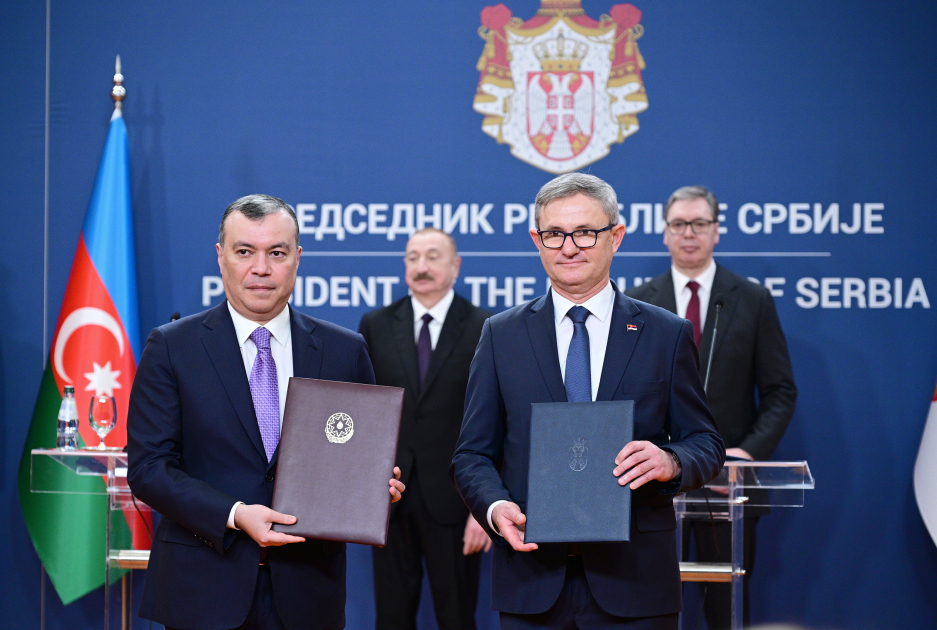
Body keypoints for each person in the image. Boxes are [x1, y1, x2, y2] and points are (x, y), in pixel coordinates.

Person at [450, 173, 725, 630]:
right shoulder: (501, 335)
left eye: (585, 232)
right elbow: (471, 455)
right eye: (554, 234)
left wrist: (670, 461)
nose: (569, 247)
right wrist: (495, 509)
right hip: (531, 579)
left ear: (615, 236)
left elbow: (706, 443)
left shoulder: (665, 333)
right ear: (537, 240)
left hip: (636, 581)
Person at [127, 194, 405, 630]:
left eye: (277, 253)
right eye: (244, 252)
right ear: (221, 257)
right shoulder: (172, 347)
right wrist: (235, 513)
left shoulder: (344, 351)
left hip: (308, 594)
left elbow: (362, 460)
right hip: (202, 591)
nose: (261, 268)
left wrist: (376, 489)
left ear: (297, 258)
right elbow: (149, 469)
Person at [626, 185, 797, 630]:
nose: (689, 233)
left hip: (729, 487)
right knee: (650, 609)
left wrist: (745, 453)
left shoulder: (752, 299)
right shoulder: (636, 303)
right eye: (679, 224)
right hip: (656, 490)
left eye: (699, 223)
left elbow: (780, 391)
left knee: (726, 612)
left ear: (716, 231)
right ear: (665, 233)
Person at [359, 227, 491, 630]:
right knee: (391, 618)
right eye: (413, 257)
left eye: (433, 257)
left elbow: (495, 419)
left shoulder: (485, 326)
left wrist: (483, 508)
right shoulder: (376, 325)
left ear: (455, 266)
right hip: (389, 500)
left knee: (457, 617)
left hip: (456, 499)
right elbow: (365, 411)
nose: (422, 266)